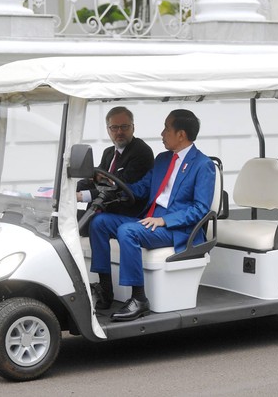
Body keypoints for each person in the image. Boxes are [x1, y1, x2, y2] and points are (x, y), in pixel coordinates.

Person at [89, 109, 216, 322]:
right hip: (150, 220)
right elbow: (141, 188)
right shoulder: (163, 159)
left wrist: (164, 220)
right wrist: (115, 186)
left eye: (167, 128)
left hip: (175, 229)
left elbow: (200, 209)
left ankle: (139, 298)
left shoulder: (203, 165)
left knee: (127, 231)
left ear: (181, 134)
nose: (162, 133)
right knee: (99, 222)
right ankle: (105, 289)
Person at [76, 106, 154, 227]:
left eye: (124, 127)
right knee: (61, 219)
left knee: (70, 224)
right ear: (107, 129)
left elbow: (119, 188)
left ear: (133, 128)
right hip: (101, 208)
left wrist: (82, 196)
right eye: (114, 127)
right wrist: (69, 190)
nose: (119, 132)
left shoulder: (141, 152)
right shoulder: (108, 152)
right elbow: (97, 179)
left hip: (124, 214)